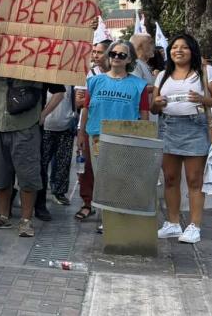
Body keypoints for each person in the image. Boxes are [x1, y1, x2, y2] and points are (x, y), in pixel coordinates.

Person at [154, 33, 212, 244]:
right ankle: (173, 223)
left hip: (196, 128)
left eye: (184, 47)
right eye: (174, 47)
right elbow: (153, 108)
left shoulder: (206, 71)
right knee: (170, 179)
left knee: (194, 180)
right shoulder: (162, 75)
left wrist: (203, 99)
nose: (178, 50)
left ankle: (195, 226)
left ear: (192, 50)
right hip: (168, 127)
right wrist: (156, 103)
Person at [0, 75, 65, 237]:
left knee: (28, 176)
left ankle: (26, 221)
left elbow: (59, 91)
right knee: (0, 175)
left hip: (25, 129)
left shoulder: (38, 68)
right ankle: (2, 217)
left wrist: (43, 115)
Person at [81, 40, 149, 233]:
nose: (116, 58)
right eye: (113, 54)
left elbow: (144, 114)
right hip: (97, 137)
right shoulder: (94, 81)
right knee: (103, 179)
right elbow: (86, 109)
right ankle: (107, 219)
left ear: (129, 59)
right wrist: (80, 134)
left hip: (126, 138)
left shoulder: (139, 85)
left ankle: (121, 217)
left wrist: (143, 139)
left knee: (122, 179)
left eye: (122, 55)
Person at [74, 40, 110, 223]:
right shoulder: (89, 74)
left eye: (100, 52)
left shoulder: (121, 74)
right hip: (89, 127)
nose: (95, 55)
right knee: (86, 166)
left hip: (111, 127)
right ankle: (87, 203)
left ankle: (109, 208)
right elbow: (79, 102)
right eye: (94, 51)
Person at [38, 85, 77, 210]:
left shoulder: (71, 81)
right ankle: (38, 194)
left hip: (66, 126)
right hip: (45, 126)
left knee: (63, 163)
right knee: (41, 163)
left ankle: (59, 192)